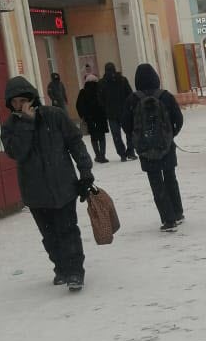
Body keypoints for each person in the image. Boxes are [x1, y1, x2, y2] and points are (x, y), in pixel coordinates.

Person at [0, 76, 93, 291]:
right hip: (35, 192)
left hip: (64, 186)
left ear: (32, 97)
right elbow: (16, 152)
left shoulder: (55, 116)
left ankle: (75, 271)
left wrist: (85, 171)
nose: (20, 105)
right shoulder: (11, 127)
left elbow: (75, 143)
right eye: (14, 102)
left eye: (23, 99)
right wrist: (26, 123)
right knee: (49, 236)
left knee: (68, 230)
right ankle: (61, 268)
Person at [123, 63, 185, 232]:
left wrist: (137, 139)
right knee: (170, 177)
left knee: (156, 182)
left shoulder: (132, 100)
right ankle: (178, 212)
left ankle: (168, 218)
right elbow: (178, 119)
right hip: (166, 145)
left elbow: (126, 124)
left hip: (145, 148)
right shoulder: (165, 96)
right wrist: (170, 135)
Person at [99, 61, 136, 161]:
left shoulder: (102, 83)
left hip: (111, 114)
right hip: (124, 111)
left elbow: (100, 99)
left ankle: (122, 154)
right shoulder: (122, 80)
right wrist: (129, 107)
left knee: (116, 136)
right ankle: (131, 151)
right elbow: (130, 94)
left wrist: (106, 108)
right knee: (129, 132)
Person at [76, 74, 109, 163]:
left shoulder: (83, 92)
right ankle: (102, 155)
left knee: (94, 137)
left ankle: (97, 155)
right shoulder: (100, 90)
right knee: (102, 137)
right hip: (100, 117)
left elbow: (79, 105)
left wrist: (83, 115)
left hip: (90, 118)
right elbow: (105, 102)